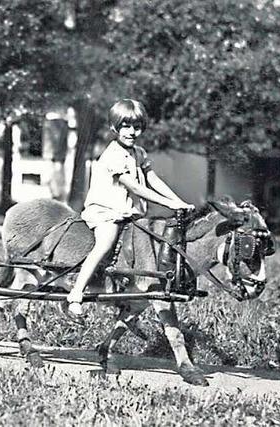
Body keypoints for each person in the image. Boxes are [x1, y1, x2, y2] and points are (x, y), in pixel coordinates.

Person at [65, 99, 194, 324]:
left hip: (128, 213)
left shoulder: (139, 153)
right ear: (115, 128)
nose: (132, 132)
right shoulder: (113, 154)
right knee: (106, 242)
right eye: (125, 126)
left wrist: (179, 201)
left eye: (137, 127)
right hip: (106, 211)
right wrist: (168, 204)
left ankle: (124, 293)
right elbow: (134, 187)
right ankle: (76, 294)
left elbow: (153, 179)